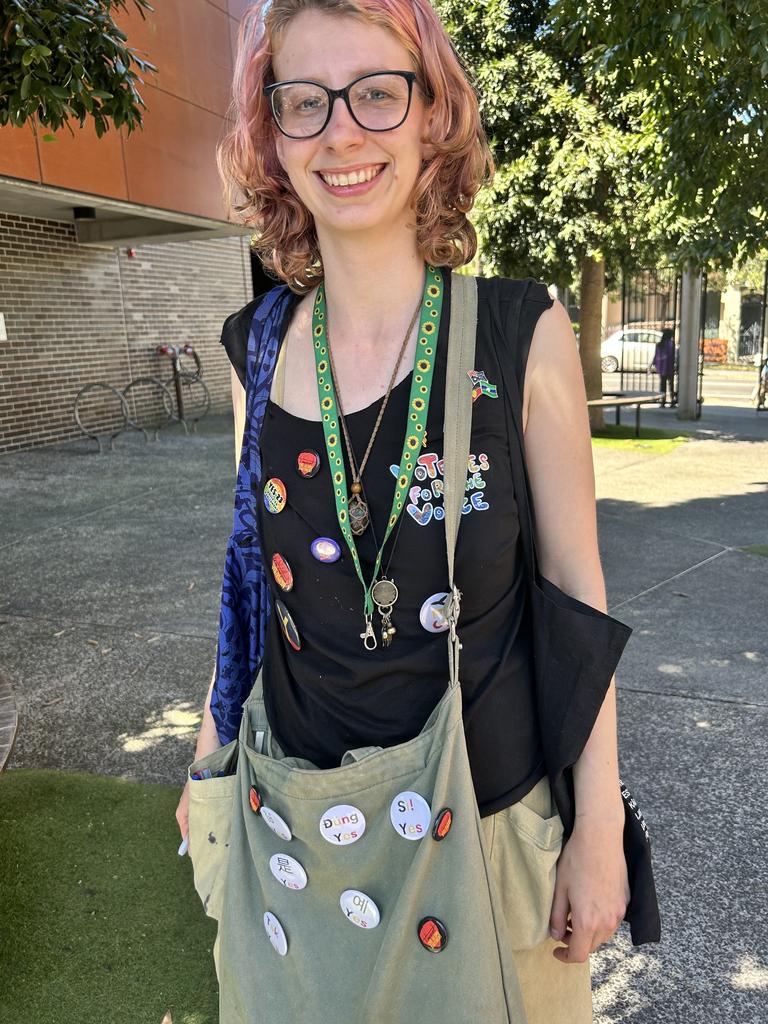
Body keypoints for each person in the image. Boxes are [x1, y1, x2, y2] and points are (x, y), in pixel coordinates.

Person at [175, 1, 632, 1019]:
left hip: (492, 834)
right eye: (306, 102)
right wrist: (206, 759)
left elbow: (574, 592)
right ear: (272, 134)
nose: (343, 130)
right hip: (297, 837)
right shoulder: (256, 346)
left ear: (434, 116)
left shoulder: (525, 333)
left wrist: (596, 828)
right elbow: (251, 576)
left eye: (378, 92)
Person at [652, 327, 677, 407]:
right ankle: (672, 401)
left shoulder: (659, 344)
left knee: (662, 386)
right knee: (671, 386)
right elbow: (674, 356)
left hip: (662, 368)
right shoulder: (671, 344)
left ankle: (662, 401)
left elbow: (656, 356)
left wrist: (654, 364)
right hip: (670, 367)